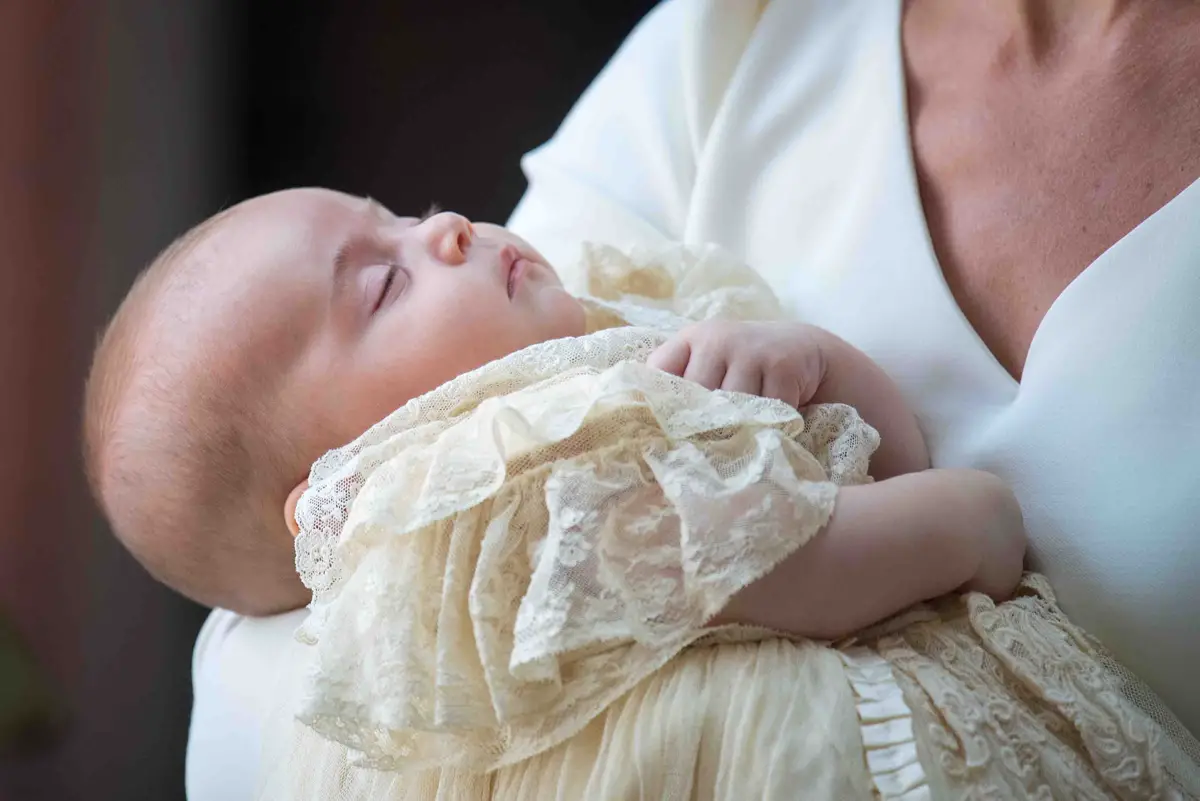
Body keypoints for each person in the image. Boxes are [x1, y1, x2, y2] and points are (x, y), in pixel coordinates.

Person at [181, 0, 1200, 798]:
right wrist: (962, 524)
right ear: (336, 495)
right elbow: (773, 566)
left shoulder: (604, 334)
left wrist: (816, 364)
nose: (443, 227)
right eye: (385, 284)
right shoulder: (486, 495)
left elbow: (876, 458)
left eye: (401, 217)